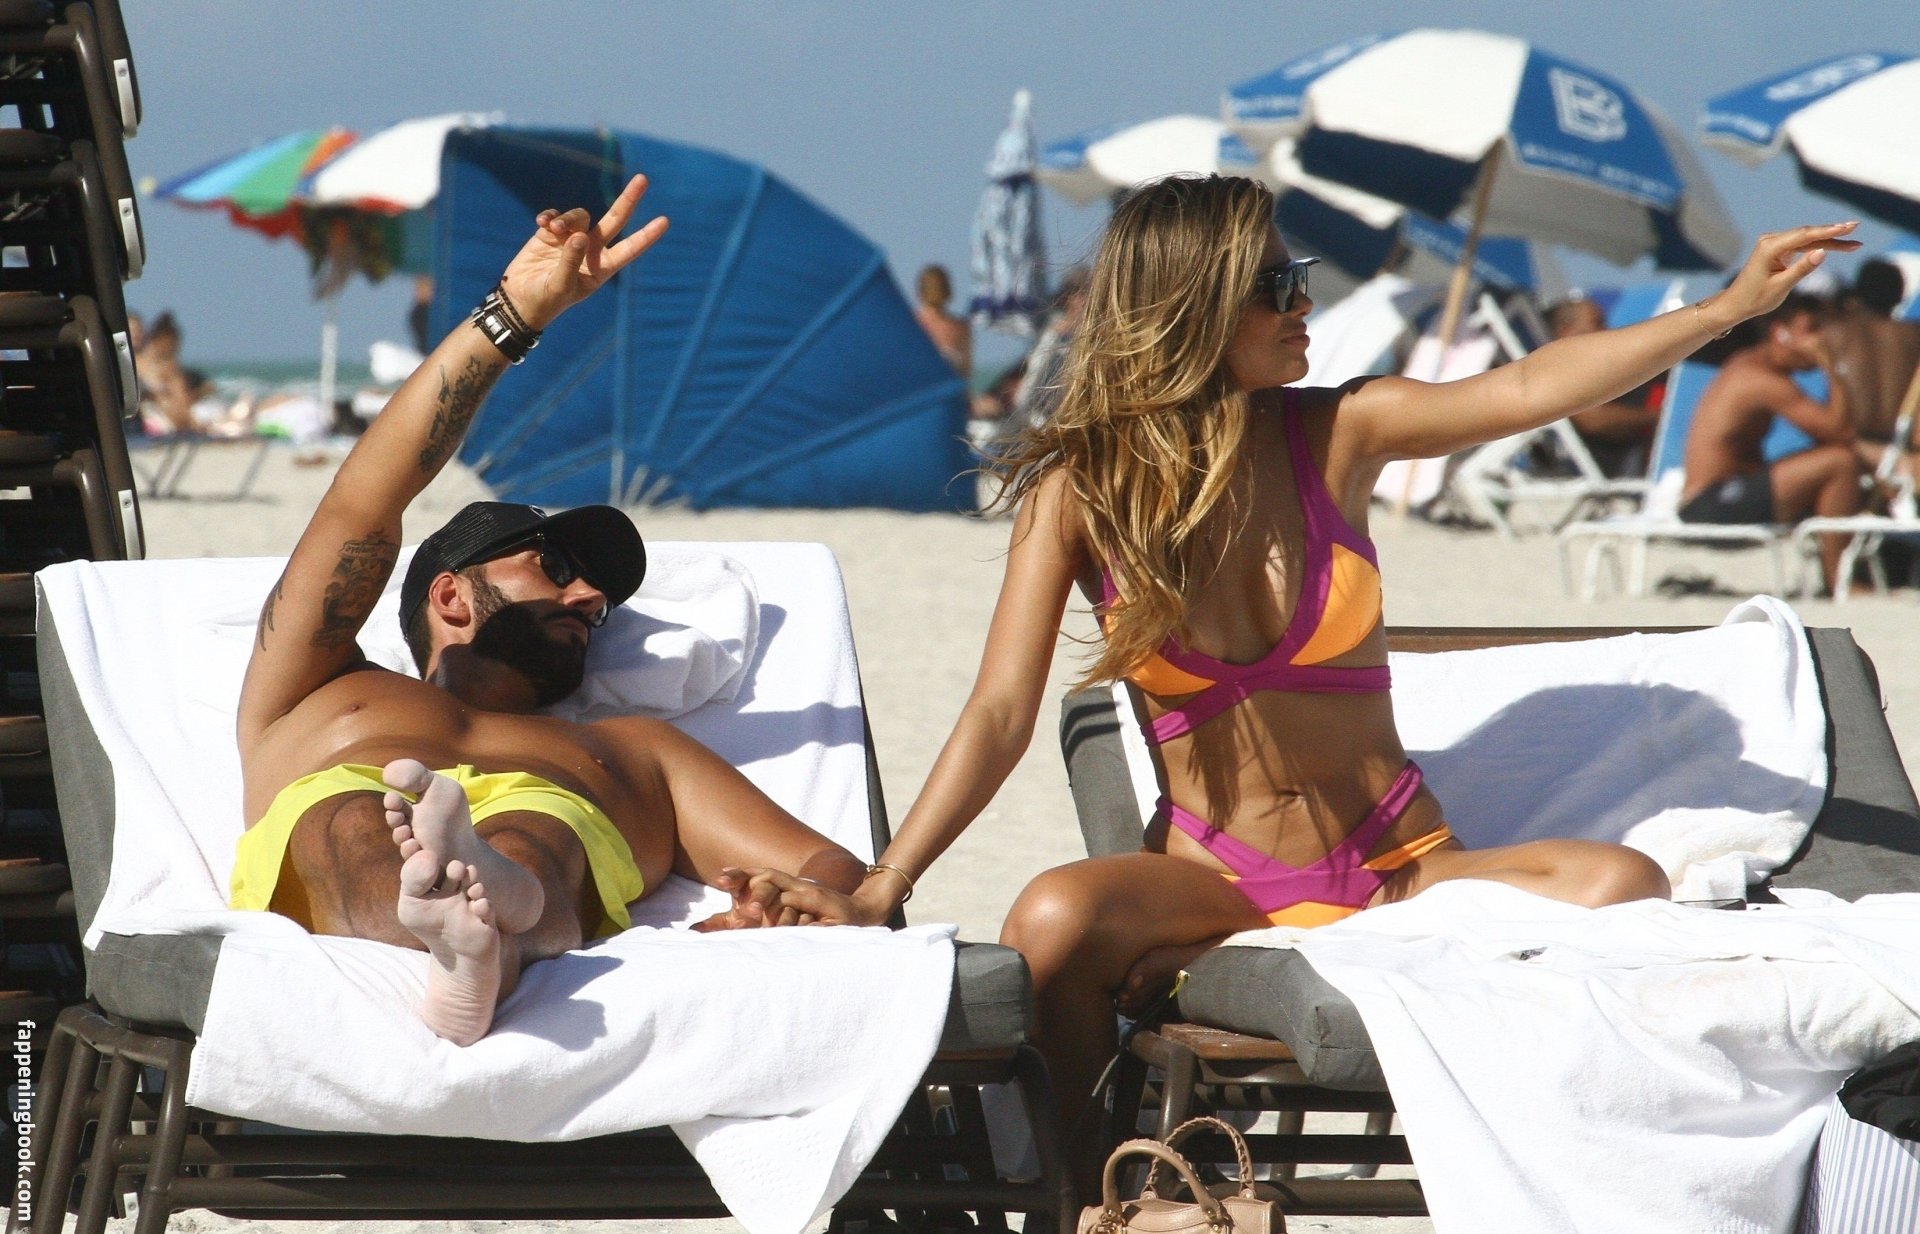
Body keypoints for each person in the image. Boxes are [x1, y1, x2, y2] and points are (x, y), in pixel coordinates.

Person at [739, 176, 1856, 1185]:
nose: (1303, 302)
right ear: (1189, 306)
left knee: (1622, 882)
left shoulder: (1342, 433)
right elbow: (998, 712)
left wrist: (1723, 310)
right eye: (1273, 285)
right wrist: (884, 885)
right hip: (1219, 878)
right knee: (1054, 913)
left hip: (1400, 867)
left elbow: (1528, 387)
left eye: (1298, 277)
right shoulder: (1080, 491)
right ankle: (1077, 1194)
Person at [232, 175, 868, 1046]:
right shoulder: (318, 680)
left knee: (538, 834)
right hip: (363, 808)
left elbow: (823, 862)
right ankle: (459, 919)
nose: (590, 596)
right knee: (351, 820)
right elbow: (363, 497)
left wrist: (801, 899)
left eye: (598, 598)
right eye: (556, 567)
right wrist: (512, 318)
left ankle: (479, 930)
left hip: (538, 838)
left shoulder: (634, 750)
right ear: (450, 593)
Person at [1679, 294, 1863, 591]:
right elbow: (1840, 431)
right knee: (1841, 463)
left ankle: (1850, 574)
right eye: (1811, 329)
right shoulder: (1761, 380)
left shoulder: (1750, 364)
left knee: (1844, 459)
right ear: (1780, 332)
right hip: (1712, 505)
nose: (1820, 339)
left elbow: (1831, 435)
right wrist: (1831, 365)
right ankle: (1840, 583)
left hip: (1718, 497)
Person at [1822, 258, 1920, 478]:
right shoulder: (1915, 336)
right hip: (1907, 453)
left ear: (1858, 293)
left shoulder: (1831, 335)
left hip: (1854, 452)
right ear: (1900, 296)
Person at [1547, 296, 1664, 478]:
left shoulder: (1597, 368)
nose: (1606, 330)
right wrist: (1660, 416)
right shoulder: (1559, 371)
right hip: (1620, 469)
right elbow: (1593, 420)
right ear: (1567, 331)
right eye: (1597, 323)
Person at [913, 263, 972, 378]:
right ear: (948, 290)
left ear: (920, 291)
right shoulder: (961, 327)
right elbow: (966, 374)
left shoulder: (909, 324)